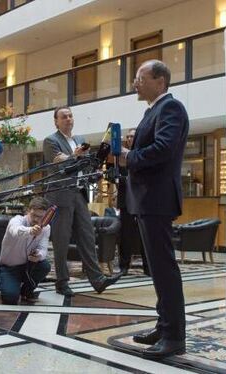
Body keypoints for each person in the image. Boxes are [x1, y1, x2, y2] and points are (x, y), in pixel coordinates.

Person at [114, 59, 189, 358]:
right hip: (146, 200)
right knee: (157, 270)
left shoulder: (171, 108)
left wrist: (128, 155)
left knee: (164, 269)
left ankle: (174, 337)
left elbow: (163, 149)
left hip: (157, 199)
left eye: (139, 77)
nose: (135, 82)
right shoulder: (152, 110)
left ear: (159, 81)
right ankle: (164, 325)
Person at [42, 106, 120, 296]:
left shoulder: (79, 140)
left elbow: (83, 168)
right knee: (61, 240)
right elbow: (58, 164)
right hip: (60, 196)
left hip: (79, 194)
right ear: (56, 121)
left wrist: (94, 173)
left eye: (70, 116)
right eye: (64, 117)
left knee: (87, 236)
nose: (68, 119)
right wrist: (74, 156)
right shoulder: (51, 141)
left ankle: (98, 280)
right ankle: (61, 282)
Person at [0, 197, 52, 305]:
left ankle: (27, 290)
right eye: (34, 215)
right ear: (28, 211)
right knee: (10, 299)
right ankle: (6, 283)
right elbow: (15, 231)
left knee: (45, 265)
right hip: (9, 268)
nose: (36, 220)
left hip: (28, 265)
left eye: (40, 217)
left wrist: (38, 255)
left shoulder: (46, 228)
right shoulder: (17, 220)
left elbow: (43, 249)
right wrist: (30, 231)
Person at [116, 128, 149, 276]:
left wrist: (127, 179)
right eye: (128, 136)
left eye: (132, 136)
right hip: (126, 202)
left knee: (146, 236)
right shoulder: (119, 157)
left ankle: (148, 267)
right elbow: (115, 177)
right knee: (125, 236)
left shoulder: (144, 154)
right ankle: (124, 267)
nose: (129, 138)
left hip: (143, 202)